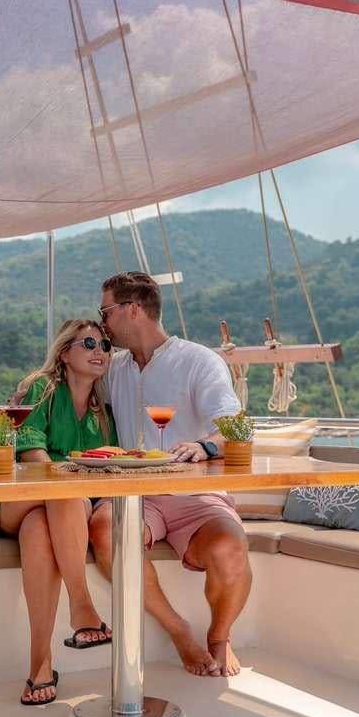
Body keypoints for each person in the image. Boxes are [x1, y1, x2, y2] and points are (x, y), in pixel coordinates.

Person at [92, 271, 253, 677]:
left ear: (133, 310)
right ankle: (179, 631)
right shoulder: (114, 370)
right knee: (106, 528)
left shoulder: (198, 361)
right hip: (136, 497)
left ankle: (219, 636)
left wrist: (205, 446)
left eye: (105, 312)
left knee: (230, 550)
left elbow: (237, 429)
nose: (102, 323)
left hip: (194, 498)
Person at [0, 319, 118, 705]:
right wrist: (70, 477)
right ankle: (81, 603)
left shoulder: (103, 409)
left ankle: (40, 665)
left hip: (54, 510)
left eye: (105, 345)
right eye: (89, 343)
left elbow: (108, 461)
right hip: (16, 499)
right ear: (65, 353)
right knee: (62, 493)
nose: (100, 351)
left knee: (39, 530)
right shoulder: (42, 387)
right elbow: (32, 452)